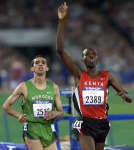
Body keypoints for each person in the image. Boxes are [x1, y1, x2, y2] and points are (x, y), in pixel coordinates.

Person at [56, 2, 132, 150]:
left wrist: (124, 95)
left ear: (97, 58)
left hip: (102, 123)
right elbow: (60, 50)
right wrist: (62, 22)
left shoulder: (107, 76)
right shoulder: (79, 74)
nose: (90, 57)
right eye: (87, 55)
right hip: (86, 123)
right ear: (82, 59)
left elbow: (121, 91)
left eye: (93, 55)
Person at [3, 55, 64, 150]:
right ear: (32, 68)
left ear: (47, 68)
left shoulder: (54, 87)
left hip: (48, 128)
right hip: (32, 128)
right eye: (37, 63)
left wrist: (54, 113)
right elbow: (6, 106)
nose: (40, 64)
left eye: (43, 63)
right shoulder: (23, 86)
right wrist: (18, 115)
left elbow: (61, 112)